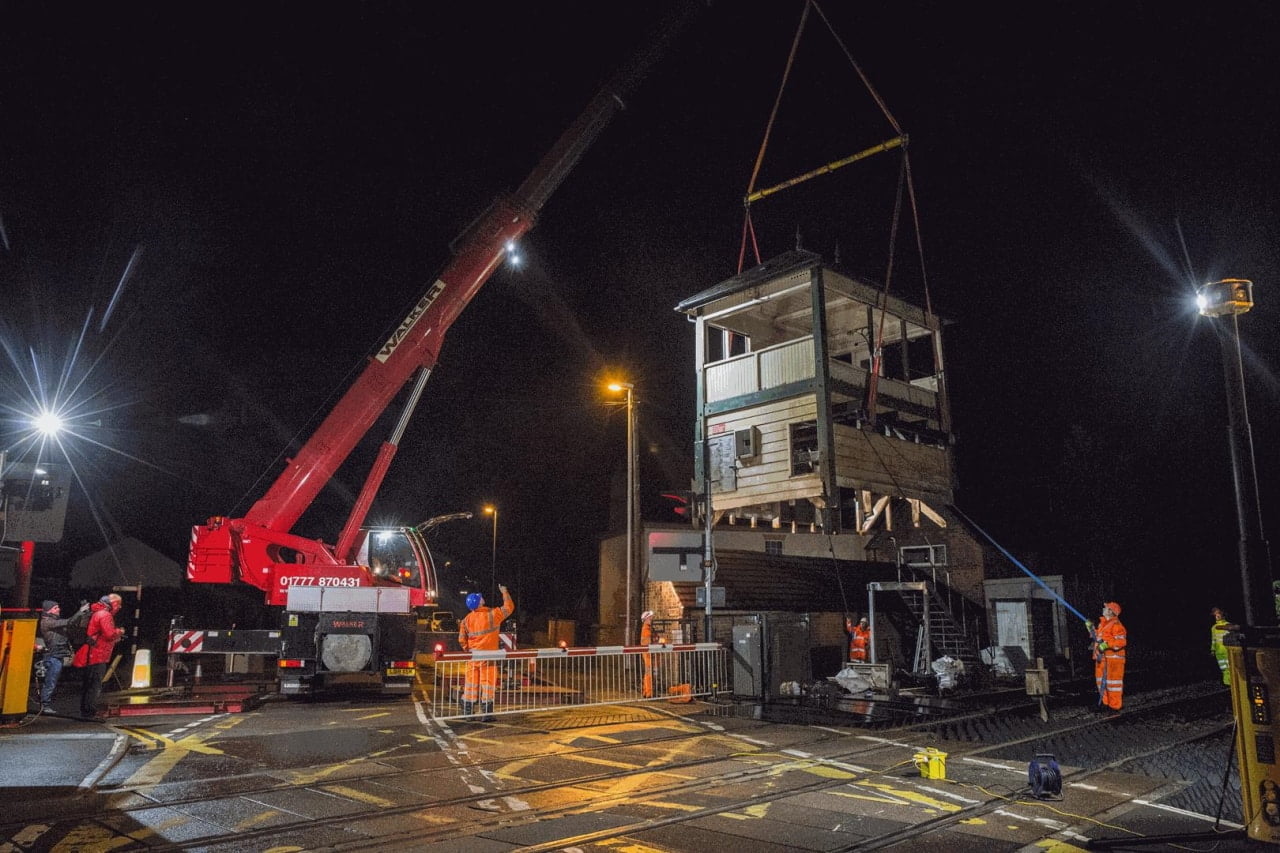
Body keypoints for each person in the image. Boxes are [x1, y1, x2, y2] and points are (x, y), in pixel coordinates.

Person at [457, 585, 515, 722]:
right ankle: (486, 713)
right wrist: (505, 592)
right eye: (480, 598)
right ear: (479, 602)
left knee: (470, 685)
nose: (482, 597)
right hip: (488, 657)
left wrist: (468, 650)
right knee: (488, 685)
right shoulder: (492, 615)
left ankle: (468, 713)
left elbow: (461, 639)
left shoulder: (466, 620)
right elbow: (509, 607)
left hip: (473, 657)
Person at [73, 593, 126, 720]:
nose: (119, 608)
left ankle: (86, 711)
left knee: (89, 684)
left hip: (92, 653)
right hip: (97, 655)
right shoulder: (105, 615)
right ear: (113, 603)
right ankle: (89, 712)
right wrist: (120, 632)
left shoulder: (98, 612)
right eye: (118, 604)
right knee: (94, 685)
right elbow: (109, 634)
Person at [38, 600, 80, 714]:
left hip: (57, 656)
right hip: (53, 656)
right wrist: (80, 612)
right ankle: (44, 705)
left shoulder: (52, 621)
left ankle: (45, 704)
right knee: (50, 682)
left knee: (52, 681)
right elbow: (69, 622)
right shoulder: (48, 622)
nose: (59, 609)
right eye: (56, 608)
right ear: (49, 610)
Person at [1086, 601, 1127, 713]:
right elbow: (1097, 637)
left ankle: (1114, 706)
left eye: (1106, 608)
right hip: (1102, 659)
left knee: (1113, 684)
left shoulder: (1116, 625)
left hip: (1113, 660)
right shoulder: (1103, 624)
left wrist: (1106, 645)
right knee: (1101, 683)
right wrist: (1090, 628)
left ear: (1111, 612)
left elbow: (1121, 642)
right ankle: (1105, 703)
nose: (1104, 609)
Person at [1210, 606, 1236, 686]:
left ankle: (1232, 682)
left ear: (1223, 615)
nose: (1216, 616)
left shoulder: (1228, 625)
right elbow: (1214, 639)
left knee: (1230, 667)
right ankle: (1227, 683)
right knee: (1223, 668)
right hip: (1219, 652)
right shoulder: (1214, 628)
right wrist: (1213, 650)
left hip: (1227, 650)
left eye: (1218, 614)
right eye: (1215, 615)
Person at [639, 610, 655, 698]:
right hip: (647, 654)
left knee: (647, 672)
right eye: (650, 617)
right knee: (649, 672)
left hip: (647, 653)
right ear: (646, 619)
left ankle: (646, 691)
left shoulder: (647, 628)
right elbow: (647, 642)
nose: (652, 619)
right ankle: (649, 692)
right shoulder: (646, 629)